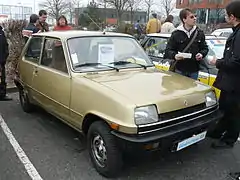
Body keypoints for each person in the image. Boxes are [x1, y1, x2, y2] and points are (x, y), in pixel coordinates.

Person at [208, 0, 240, 149]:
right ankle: (217, 131)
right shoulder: (236, 33)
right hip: (230, 82)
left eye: (227, 15)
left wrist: (217, 63)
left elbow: (236, 62)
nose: (226, 18)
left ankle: (229, 140)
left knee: (233, 113)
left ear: (233, 16)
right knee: (225, 109)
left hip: (235, 83)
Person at [164, 8, 209, 80]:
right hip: (179, 69)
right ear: (184, 19)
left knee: (192, 90)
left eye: (195, 16)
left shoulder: (199, 33)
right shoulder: (176, 33)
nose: (195, 18)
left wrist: (201, 54)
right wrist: (175, 56)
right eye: (191, 17)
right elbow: (168, 50)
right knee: (178, 90)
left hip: (194, 70)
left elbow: (205, 48)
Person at [0, 25, 11, 101]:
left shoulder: (1, 32)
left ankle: (2, 95)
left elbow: (5, 44)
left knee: (2, 78)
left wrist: (6, 55)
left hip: (2, 61)